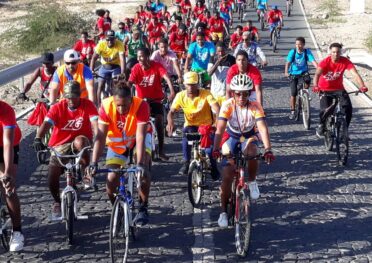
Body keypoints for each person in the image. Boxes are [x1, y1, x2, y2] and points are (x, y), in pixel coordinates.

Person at [212, 74, 275, 228]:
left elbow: (262, 127)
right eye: (238, 93)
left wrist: (268, 149)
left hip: (249, 136)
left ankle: (252, 181)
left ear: (249, 93)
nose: (241, 97)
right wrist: (215, 148)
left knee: (253, 151)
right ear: (233, 93)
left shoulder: (255, 105)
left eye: (245, 93)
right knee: (227, 175)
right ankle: (223, 212)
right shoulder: (228, 105)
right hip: (231, 137)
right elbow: (220, 129)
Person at [88, 83, 152, 226]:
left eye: (125, 105)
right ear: (113, 100)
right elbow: (100, 137)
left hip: (137, 140)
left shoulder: (141, 105)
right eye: (118, 105)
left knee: (143, 173)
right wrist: (93, 162)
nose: (121, 109)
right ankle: (116, 208)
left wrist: (140, 164)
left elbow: (141, 136)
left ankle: (143, 207)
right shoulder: (105, 106)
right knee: (111, 179)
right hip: (117, 144)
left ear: (131, 99)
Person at [32, 81, 98, 220]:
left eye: (73, 96)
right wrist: (38, 138)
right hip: (59, 144)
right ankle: (57, 201)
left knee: (81, 142)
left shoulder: (88, 105)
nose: (70, 100)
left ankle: (86, 173)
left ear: (79, 96)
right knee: (52, 176)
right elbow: (47, 123)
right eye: (67, 97)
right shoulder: (57, 107)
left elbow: (95, 124)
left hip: (80, 141)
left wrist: (98, 138)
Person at [166, 72, 220, 177]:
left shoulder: (206, 94)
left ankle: (214, 167)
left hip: (206, 126)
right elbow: (171, 112)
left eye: (193, 84)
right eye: (188, 84)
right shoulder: (180, 96)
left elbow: (217, 109)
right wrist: (170, 122)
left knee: (209, 150)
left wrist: (217, 123)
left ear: (197, 84)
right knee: (186, 135)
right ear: (184, 85)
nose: (190, 87)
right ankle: (186, 162)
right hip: (191, 125)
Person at [127, 47, 175, 160]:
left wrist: (172, 90)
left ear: (148, 56)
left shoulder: (156, 65)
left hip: (156, 100)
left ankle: (161, 151)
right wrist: (126, 93)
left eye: (142, 56)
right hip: (141, 101)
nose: (139, 59)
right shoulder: (136, 68)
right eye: (138, 57)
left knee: (159, 121)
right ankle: (130, 149)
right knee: (134, 123)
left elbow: (166, 77)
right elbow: (130, 82)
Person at [312, 42, 368, 137]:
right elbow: (317, 74)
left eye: (338, 52)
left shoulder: (345, 61)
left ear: (340, 52)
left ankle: (344, 131)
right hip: (324, 89)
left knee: (348, 109)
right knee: (324, 110)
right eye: (333, 52)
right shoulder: (325, 62)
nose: (335, 54)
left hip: (339, 89)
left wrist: (362, 86)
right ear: (330, 52)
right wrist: (316, 86)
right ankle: (321, 125)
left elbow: (355, 74)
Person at [0, 100, 25, 252]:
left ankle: (17, 231)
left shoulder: (6, 110)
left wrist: (7, 172)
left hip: (8, 144)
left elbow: (8, 142)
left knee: (8, 186)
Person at [284, 37, 318, 120]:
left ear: (303, 45)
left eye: (300, 44)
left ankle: (305, 93)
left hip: (303, 72)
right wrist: (286, 72)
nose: (298, 46)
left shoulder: (307, 52)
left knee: (308, 80)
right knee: (294, 93)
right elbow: (288, 63)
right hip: (293, 74)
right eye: (296, 44)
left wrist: (319, 69)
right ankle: (292, 111)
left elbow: (313, 62)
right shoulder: (293, 51)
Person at [90, 30, 126, 105]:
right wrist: (91, 71)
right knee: (100, 85)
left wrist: (123, 73)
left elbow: (122, 59)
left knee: (116, 84)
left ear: (115, 39)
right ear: (105, 39)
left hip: (115, 67)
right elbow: (94, 58)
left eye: (112, 39)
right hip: (104, 67)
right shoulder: (101, 44)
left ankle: (115, 104)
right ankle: (99, 106)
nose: (110, 41)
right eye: (108, 39)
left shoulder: (119, 44)